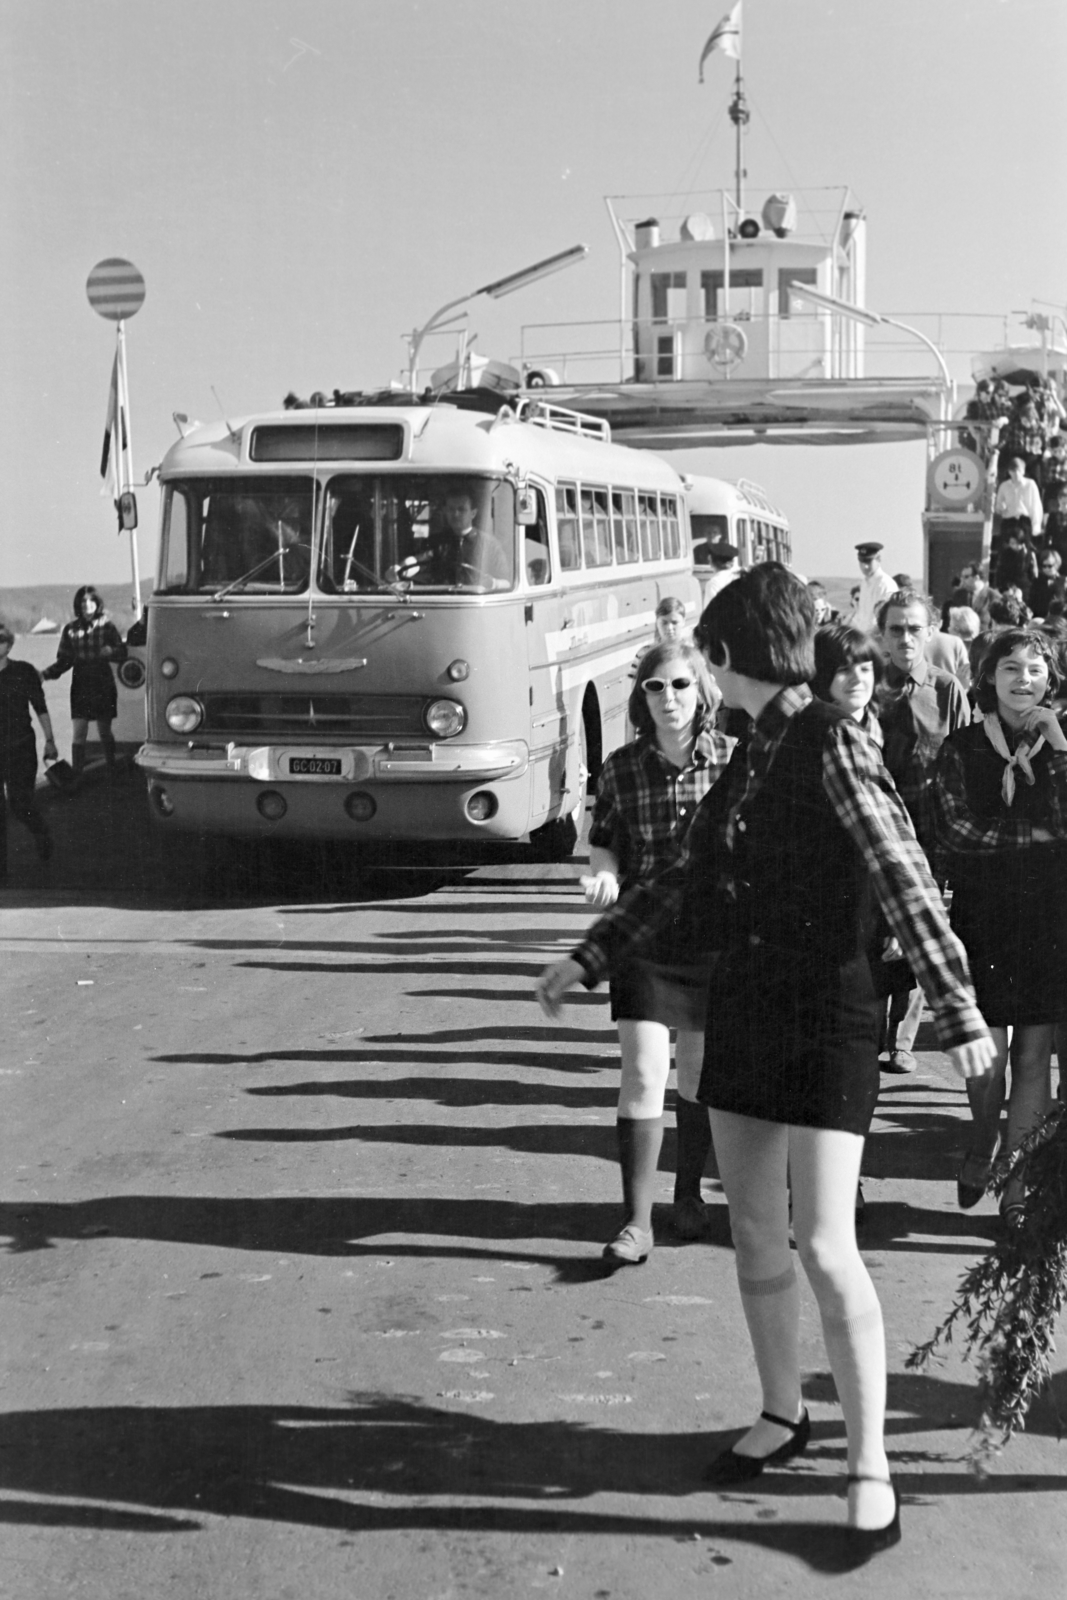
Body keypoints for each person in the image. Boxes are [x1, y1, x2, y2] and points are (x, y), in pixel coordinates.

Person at [537, 564, 993, 1558]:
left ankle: (867, 1465)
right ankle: (781, 1411)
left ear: (734, 657)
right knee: (752, 1230)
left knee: (824, 1243)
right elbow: (686, 879)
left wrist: (953, 1006)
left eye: (705, 658)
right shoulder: (748, 752)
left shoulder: (828, 738)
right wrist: (592, 952)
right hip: (745, 1002)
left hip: (825, 1012)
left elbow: (899, 867)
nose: (698, 673)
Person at [578, 641, 734, 1260]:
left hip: (711, 932)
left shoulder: (731, 759)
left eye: (679, 686)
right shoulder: (620, 766)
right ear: (640, 697)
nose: (667, 698)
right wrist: (606, 874)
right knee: (643, 1070)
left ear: (700, 692)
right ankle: (636, 1221)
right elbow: (604, 840)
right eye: (654, 688)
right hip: (643, 933)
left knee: (695, 1073)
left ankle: (688, 1193)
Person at [933, 629, 1067, 1222]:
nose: (1023, 679)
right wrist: (1038, 839)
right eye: (1010, 667)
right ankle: (984, 1136)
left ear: (1051, 679)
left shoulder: (1060, 747)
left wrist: (1059, 749)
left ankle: (1014, 1190)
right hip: (983, 920)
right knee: (987, 1062)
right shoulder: (961, 747)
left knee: (1034, 1061)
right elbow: (954, 830)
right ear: (989, 677)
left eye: (1035, 669)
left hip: (1048, 920)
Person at [875, 590, 970, 1072]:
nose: (906, 637)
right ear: (883, 635)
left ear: (930, 632)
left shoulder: (948, 689)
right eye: (896, 628)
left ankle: (902, 1040)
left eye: (915, 628)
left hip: (928, 834)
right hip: (874, 829)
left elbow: (965, 760)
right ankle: (870, 1029)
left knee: (914, 933)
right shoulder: (866, 686)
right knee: (872, 930)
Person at [41, 586, 127, 777]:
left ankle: (112, 770)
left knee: (104, 730)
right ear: (78, 606)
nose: (87, 605)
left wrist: (111, 652)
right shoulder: (70, 630)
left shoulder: (107, 626)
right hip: (81, 682)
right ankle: (76, 774)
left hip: (102, 680)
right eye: (83, 602)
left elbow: (123, 652)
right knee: (79, 730)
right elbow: (64, 661)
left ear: (97, 603)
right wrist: (44, 675)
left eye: (90, 601)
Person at [0, 622, 57, 878]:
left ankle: (41, 832)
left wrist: (50, 740)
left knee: (20, 803)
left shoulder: (23, 672)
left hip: (20, 745)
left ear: (9, 645)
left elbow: (40, 707)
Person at [404, 487, 511, 590]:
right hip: (441, 602)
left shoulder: (489, 544)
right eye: (451, 509)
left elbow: (507, 582)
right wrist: (402, 568)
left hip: (474, 604)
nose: (455, 514)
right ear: (445, 511)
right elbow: (418, 561)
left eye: (461, 509)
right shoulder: (435, 542)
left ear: (473, 513)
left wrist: (493, 583)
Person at [851, 542, 896, 634]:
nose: (865, 566)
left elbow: (887, 618)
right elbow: (862, 615)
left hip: (877, 639)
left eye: (868, 561)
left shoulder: (886, 584)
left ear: (878, 559)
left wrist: (869, 638)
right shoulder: (864, 583)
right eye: (861, 562)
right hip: (864, 638)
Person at [1029, 550, 1066, 620]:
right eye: (1044, 566)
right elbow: (1032, 602)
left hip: (1058, 619)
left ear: (1056, 565)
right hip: (1040, 618)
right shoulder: (1037, 581)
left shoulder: (1064, 581)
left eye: (1049, 566)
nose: (1046, 569)